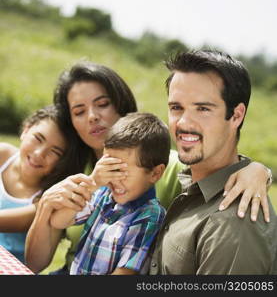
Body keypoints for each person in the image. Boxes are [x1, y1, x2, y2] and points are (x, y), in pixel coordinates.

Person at [25, 61, 272, 274]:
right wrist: (48, 205)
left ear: (121, 105)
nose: (92, 116)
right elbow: (35, 262)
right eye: (79, 111)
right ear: (72, 121)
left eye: (102, 104)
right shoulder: (75, 167)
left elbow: (210, 165)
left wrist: (257, 170)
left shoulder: (165, 164)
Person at [149, 50, 277, 275]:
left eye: (203, 109)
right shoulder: (188, 184)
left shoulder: (234, 224)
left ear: (236, 115)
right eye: (176, 107)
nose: (184, 122)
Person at [50, 112, 170, 275]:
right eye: (109, 168)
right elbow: (58, 221)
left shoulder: (150, 217)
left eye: (121, 171)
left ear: (155, 173)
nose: (113, 178)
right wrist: (92, 183)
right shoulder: (103, 194)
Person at [0, 105, 86, 263]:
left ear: (62, 162)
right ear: (26, 130)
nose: (39, 154)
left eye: (55, 152)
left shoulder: (47, 198)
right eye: (38, 139)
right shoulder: (3, 155)